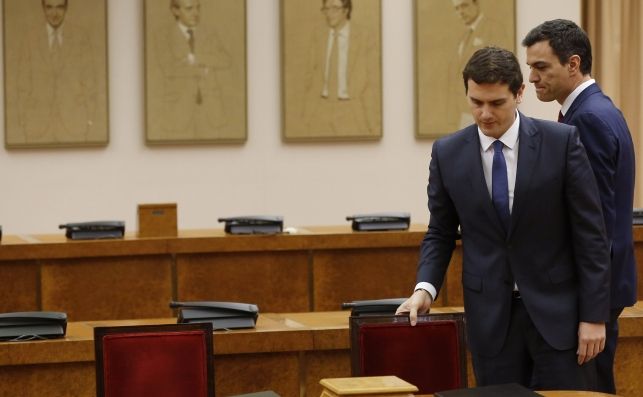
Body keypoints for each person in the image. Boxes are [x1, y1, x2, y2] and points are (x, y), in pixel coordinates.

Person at [396, 46, 610, 391]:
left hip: (560, 319)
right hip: (490, 321)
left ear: (519, 93)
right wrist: (425, 288)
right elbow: (440, 231)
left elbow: (591, 235)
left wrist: (594, 316)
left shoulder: (561, 143)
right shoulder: (448, 153)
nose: (484, 114)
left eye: (496, 103)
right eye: (476, 101)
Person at [523, 19, 637, 394]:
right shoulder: (595, 110)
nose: (533, 78)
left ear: (573, 64)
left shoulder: (587, 119)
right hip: (600, 287)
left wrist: (591, 312)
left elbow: (595, 223)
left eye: (542, 67)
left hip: (591, 293)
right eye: (530, 68)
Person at [147, 0, 231, 141]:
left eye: (198, 8)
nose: (196, 13)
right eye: (189, 8)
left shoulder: (209, 32)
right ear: (175, 10)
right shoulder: (162, 36)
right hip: (178, 111)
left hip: (211, 111)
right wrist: (202, 70)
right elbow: (168, 69)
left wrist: (195, 58)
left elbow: (226, 60)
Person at [16, 0, 97, 144]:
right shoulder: (30, 38)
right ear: (43, 8)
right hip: (37, 126)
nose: (54, 13)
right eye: (49, 7)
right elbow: (23, 83)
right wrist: (23, 119)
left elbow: (90, 81)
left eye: (59, 7)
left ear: (66, 8)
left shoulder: (81, 37)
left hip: (74, 125)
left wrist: (89, 119)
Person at [299, 0, 380, 138]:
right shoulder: (318, 35)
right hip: (321, 109)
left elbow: (373, 82)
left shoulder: (364, 37)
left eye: (335, 8)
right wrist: (306, 116)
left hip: (351, 109)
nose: (329, 14)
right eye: (326, 9)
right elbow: (309, 77)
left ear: (346, 10)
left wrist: (373, 124)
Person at [446, 0, 511, 130]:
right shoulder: (464, 37)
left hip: (485, 110)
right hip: (463, 111)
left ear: (476, 4)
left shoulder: (494, 29)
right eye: (457, 9)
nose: (461, 12)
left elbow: (502, 71)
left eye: (464, 5)